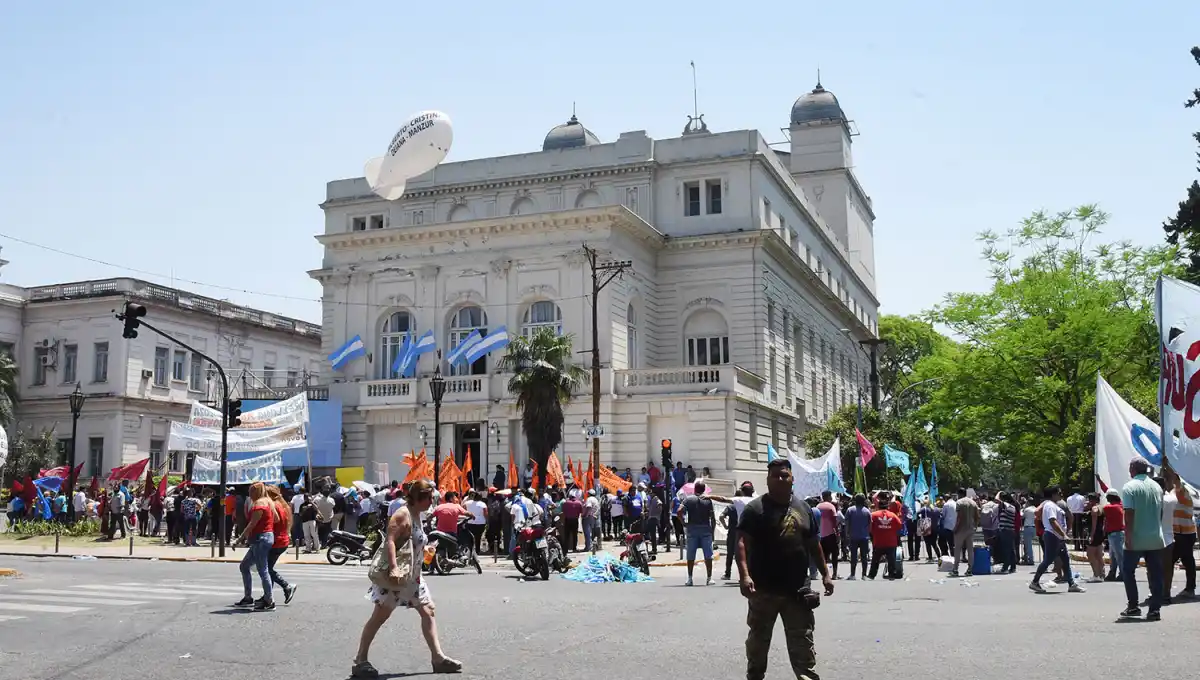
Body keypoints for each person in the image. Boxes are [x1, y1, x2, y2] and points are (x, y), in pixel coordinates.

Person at [353, 480, 461, 677]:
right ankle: (360, 659)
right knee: (380, 616)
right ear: (418, 498)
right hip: (398, 576)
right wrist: (393, 567)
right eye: (429, 498)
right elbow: (390, 541)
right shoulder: (403, 514)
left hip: (413, 576)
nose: (431, 501)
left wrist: (425, 549)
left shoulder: (418, 514)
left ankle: (438, 658)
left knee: (428, 611)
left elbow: (412, 540)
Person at [737, 458, 832, 680]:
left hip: (797, 591)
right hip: (763, 591)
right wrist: (744, 576)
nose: (780, 479)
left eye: (784, 475)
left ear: (792, 479)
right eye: (775, 475)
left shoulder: (804, 508)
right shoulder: (755, 509)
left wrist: (826, 574)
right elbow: (741, 542)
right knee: (757, 645)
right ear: (768, 480)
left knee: (803, 646)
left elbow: (813, 544)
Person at [1121, 459, 1165, 620]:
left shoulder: (1129, 487)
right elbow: (1160, 512)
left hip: (1137, 537)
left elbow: (1129, 513)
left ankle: (1133, 606)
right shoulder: (1157, 487)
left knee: (1128, 571)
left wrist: (1128, 536)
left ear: (1132, 469)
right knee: (1156, 574)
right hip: (1155, 537)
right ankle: (1155, 610)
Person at [1029, 486, 1084, 594]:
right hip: (1052, 536)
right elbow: (1052, 521)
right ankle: (1035, 582)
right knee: (1048, 560)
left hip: (1057, 537)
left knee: (1065, 560)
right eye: (1059, 492)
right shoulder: (1049, 505)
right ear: (1053, 494)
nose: (1061, 494)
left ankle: (1071, 584)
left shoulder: (1053, 505)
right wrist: (1064, 534)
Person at [233, 482, 277, 611]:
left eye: (251, 491)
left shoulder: (259, 504)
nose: (249, 494)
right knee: (244, 566)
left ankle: (269, 600)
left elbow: (252, 524)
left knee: (263, 570)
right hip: (266, 536)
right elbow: (276, 519)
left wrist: (239, 539)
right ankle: (248, 598)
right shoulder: (269, 502)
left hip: (260, 538)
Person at [678, 481, 716, 586]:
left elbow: (679, 511)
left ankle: (690, 578)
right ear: (704, 490)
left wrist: (684, 523)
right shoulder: (708, 500)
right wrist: (712, 531)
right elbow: (712, 518)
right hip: (705, 529)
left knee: (691, 554)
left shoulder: (688, 499)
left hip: (692, 528)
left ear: (695, 489)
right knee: (708, 555)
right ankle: (709, 578)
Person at [264, 485, 298, 605]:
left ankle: (287, 586)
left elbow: (273, 522)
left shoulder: (274, 506)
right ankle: (267, 595)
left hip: (276, 541)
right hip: (282, 540)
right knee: (267, 569)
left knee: (266, 569)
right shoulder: (283, 506)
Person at [868, 493, 903, 580]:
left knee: (875, 560)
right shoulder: (893, 515)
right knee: (891, 560)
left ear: (878, 506)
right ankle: (891, 574)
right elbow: (899, 526)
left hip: (878, 542)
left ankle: (872, 575)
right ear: (887, 507)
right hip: (891, 542)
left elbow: (869, 528)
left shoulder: (873, 515)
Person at [815, 491, 841, 579]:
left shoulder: (818, 507)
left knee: (824, 556)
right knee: (834, 555)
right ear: (829, 496)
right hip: (831, 534)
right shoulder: (831, 506)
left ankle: (825, 575)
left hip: (821, 535)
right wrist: (837, 534)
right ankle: (834, 573)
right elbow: (834, 522)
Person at [1102, 489, 1125, 582]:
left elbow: (1101, 509)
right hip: (1116, 534)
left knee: (1119, 556)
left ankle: (1123, 574)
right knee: (1114, 556)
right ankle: (1113, 573)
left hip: (1115, 534)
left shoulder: (1110, 508)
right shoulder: (1120, 505)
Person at [1084, 492, 1107, 583]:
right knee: (1098, 555)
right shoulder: (1101, 507)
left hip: (1095, 533)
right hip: (1100, 533)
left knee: (1090, 554)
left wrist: (1091, 535)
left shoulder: (1094, 509)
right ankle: (1102, 574)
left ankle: (1096, 574)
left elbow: (1094, 524)